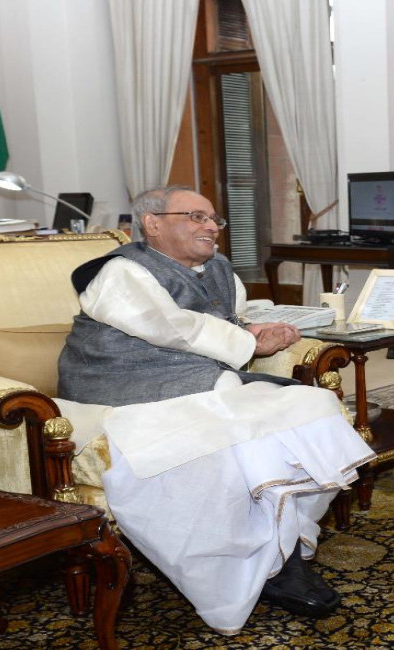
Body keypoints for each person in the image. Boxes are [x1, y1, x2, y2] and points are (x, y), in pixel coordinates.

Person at [57, 186, 375, 634]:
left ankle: (282, 546)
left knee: (314, 405)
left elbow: (229, 315)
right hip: (121, 383)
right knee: (235, 434)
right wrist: (248, 342)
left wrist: (260, 330)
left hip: (194, 378)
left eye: (214, 219)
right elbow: (170, 326)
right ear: (152, 223)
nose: (211, 227)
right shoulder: (122, 271)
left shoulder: (219, 267)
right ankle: (257, 567)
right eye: (196, 216)